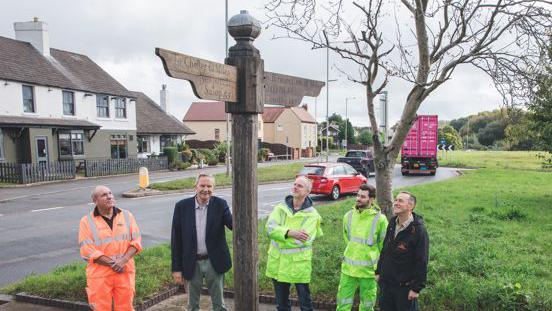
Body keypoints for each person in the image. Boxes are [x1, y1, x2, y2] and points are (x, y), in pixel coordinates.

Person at [171, 173, 232, 311]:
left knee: (219, 305)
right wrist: (176, 268)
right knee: (192, 305)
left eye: (209, 186)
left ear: (214, 188)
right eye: (202, 185)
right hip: (191, 262)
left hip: (214, 261)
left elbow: (233, 224)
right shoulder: (182, 207)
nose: (206, 189)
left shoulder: (220, 204)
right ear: (195, 187)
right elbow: (176, 240)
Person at [78, 185, 142, 311]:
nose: (109, 197)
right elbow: (87, 251)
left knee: (126, 308)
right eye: (104, 195)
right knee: (100, 308)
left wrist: (122, 261)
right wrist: (114, 264)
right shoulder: (86, 221)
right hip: (100, 276)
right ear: (95, 201)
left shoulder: (127, 216)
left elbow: (136, 241)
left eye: (110, 193)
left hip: (124, 272)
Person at [265, 175, 323, 311]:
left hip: (299, 265)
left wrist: (280, 235)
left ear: (307, 192)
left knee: (305, 305)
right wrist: (289, 232)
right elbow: (269, 229)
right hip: (278, 263)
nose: (295, 187)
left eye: (300, 186)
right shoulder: (280, 208)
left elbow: (302, 240)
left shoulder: (312, 215)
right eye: (295, 184)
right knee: (282, 305)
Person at [336, 183, 388, 311]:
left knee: (367, 305)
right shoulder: (348, 216)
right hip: (348, 269)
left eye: (362, 197)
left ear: (371, 199)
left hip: (369, 271)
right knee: (343, 303)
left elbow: (384, 246)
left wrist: (380, 270)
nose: (358, 199)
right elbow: (347, 238)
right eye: (358, 195)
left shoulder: (380, 219)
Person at [375, 191, 429, 311]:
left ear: (410, 206)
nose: (396, 203)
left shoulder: (419, 231)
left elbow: (422, 261)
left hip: (404, 289)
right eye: (396, 200)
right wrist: (378, 272)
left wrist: (416, 288)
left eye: (400, 201)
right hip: (386, 286)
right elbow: (385, 250)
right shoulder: (392, 223)